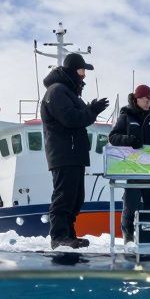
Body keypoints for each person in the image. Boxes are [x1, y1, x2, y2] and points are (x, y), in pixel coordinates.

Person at [40, 53, 111, 249]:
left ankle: (68, 234)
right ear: (73, 70)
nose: (84, 75)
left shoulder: (67, 91)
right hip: (64, 154)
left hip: (73, 153)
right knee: (64, 195)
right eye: (82, 70)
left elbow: (78, 115)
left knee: (75, 196)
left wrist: (90, 109)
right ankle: (59, 236)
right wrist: (92, 111)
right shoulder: (57, 91)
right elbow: (71, 118)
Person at [108, 84, 150, 241]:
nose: (149, 102)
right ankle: (128, 238)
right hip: (133, 171)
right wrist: (128, 140)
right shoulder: (127, 116)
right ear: (137, 99)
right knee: (130, 208)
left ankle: (147, 238)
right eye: (146, 99)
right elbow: (113, 137)